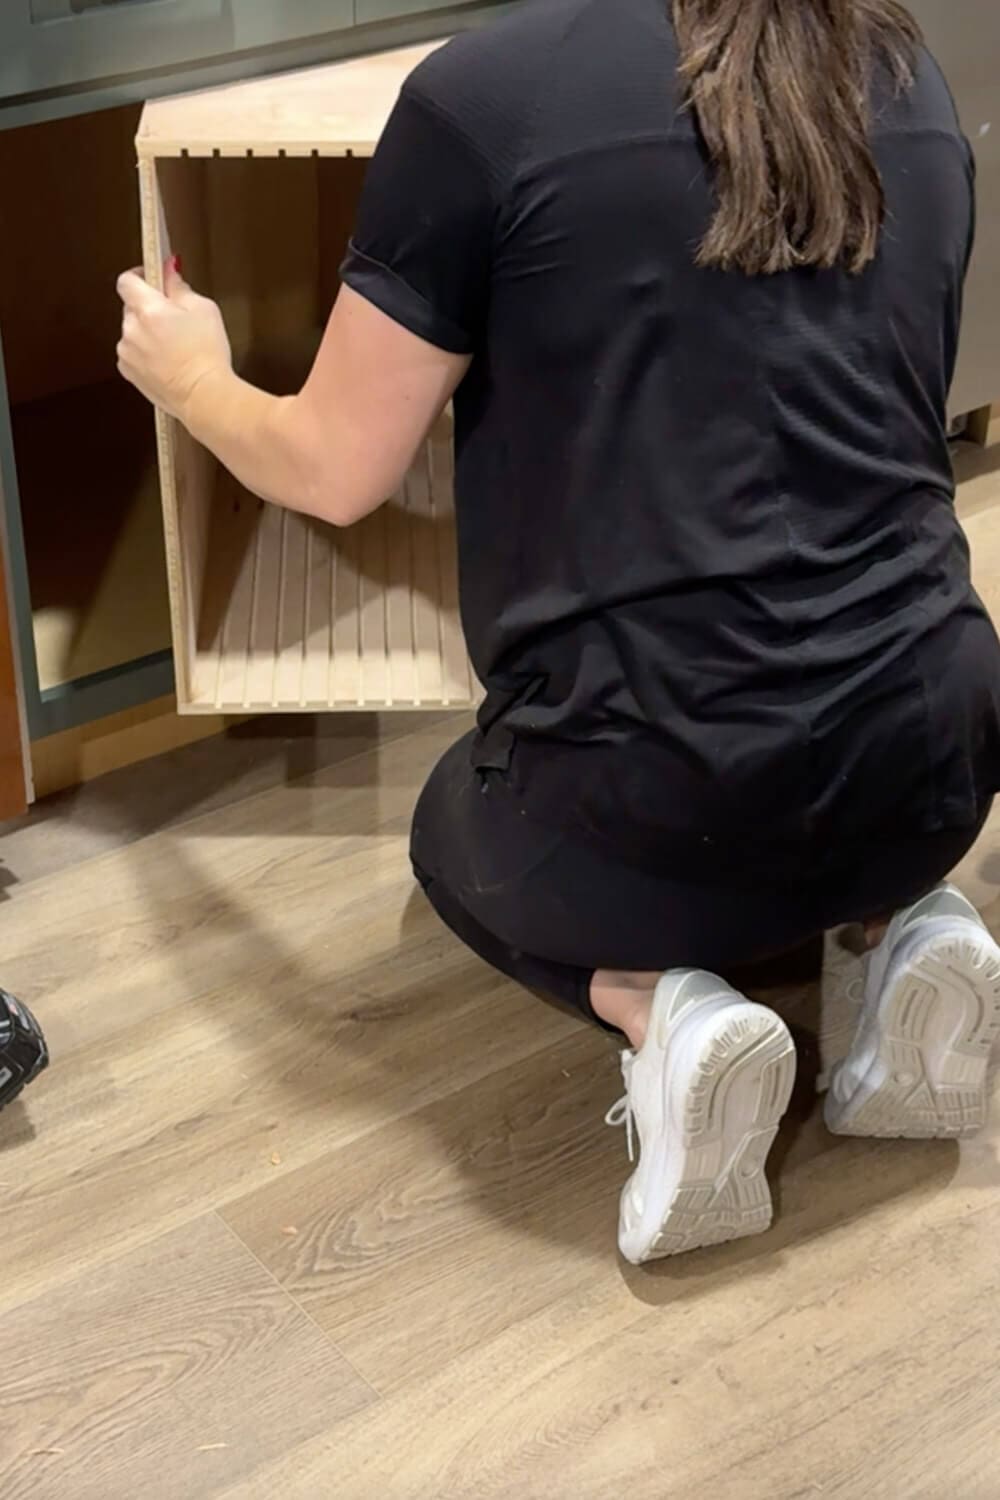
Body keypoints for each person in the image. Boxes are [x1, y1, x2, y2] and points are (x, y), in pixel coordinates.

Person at [117, 0, 1000, 1265]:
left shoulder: (487, 96)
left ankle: (663, 1017)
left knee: (448, 835)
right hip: (946, 754)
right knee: (822, 775)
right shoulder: (903, 68)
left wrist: (194, 374)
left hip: (659, 806)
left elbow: (330, 470)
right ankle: (908, 928)